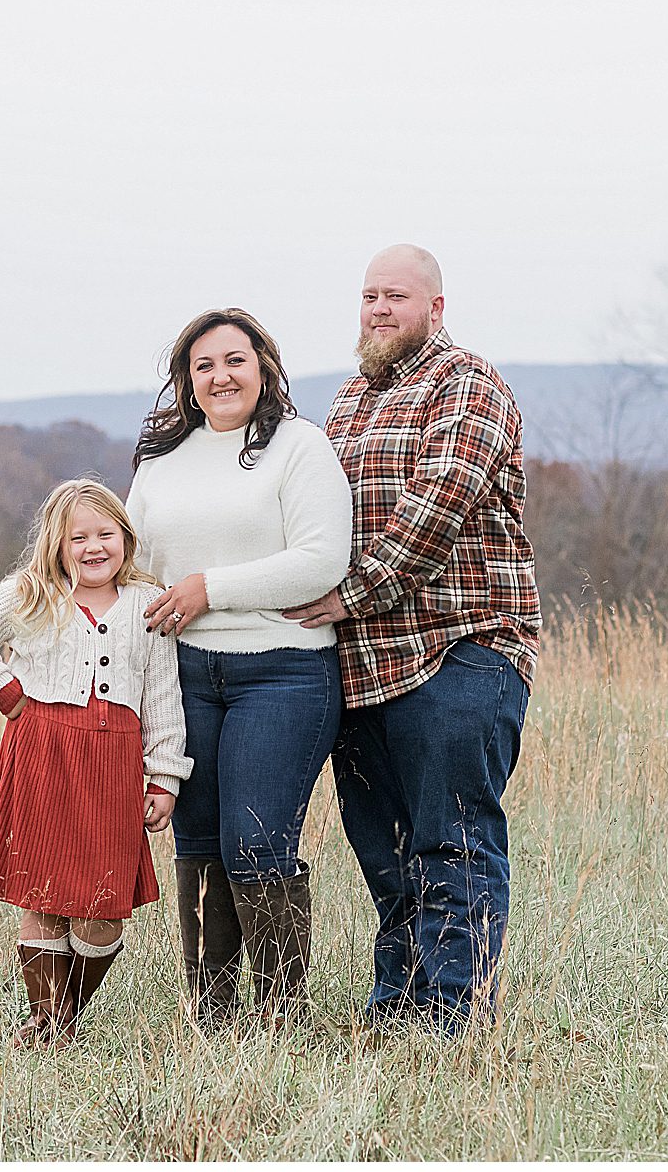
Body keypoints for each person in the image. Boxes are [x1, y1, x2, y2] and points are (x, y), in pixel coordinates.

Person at [286, 244, 541, 1033]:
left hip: (460, 646)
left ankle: (456, 1014)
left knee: (452, 840)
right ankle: (399, 1006)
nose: (379, 309)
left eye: (396, 295)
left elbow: (440, 505)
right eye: (368, 296)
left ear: (436, 306)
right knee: (387, 854)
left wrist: (346, 594)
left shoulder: (469, 384)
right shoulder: (346, 404)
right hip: (361, 667)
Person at [126, 308, 352, 1029]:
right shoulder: (162, 461)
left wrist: (207, 589)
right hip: (183, 674)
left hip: (282, 671)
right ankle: (213, 1016)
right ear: (187, 381)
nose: (220, 376)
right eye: (204, 366)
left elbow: (319, 563)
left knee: (255, 842)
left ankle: (282, 1016)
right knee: (196, 842)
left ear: (264, 368)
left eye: (234, 361)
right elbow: (134, 567)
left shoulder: (300, 449)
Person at [0, 478, 191, 1047]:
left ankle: (68, 1007)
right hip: (42, 754)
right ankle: (48, 1022)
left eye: (106, 534)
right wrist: (2, 690)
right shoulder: (32, 594)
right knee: (43, 893)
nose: (93, 547)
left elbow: (163, 698)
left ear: (126, 539)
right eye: (79, 537)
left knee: (103, 908)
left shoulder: (148, 605)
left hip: (112, 765)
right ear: (56, 543)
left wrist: (165, 776)